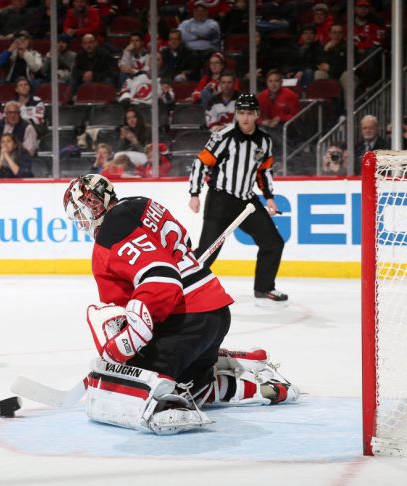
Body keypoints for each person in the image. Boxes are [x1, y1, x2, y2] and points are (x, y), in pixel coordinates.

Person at [61, 174, 298, 434]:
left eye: (81, 212)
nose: (82, 223)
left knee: (118, 387)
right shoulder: (143, 204)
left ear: (93, 203)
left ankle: (169, 395)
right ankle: (241, 382)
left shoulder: (112, 228)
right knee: (193, 386)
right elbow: (182, 245)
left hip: (186, 319)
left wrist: (130, 339)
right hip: (215, 314)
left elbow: (161, 279)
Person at [188, 93, 288, 303]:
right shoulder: (223, 135)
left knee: (273, 243)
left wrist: (269, 197)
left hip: (246, 202)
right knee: (207, 253)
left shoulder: (264, 141)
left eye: (249, 113)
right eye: (241, 113)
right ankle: (184, 286)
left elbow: (264, 171)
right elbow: (201, 162)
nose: (245, 117)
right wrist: (194, 194)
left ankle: (264, 288)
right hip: (220, 200)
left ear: (257, 115)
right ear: (236, 114)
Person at [178, 1, 221, 68]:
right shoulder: (185, 23)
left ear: (207, 12)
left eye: (202, 11)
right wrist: (198, 37)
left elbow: (206, 32)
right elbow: (181, 35)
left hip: (209, 51)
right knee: (189, 55)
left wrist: (190, 31)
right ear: (193, 12)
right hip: (190, 51)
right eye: (197, 11)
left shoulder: (213, 23)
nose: (199, 13)